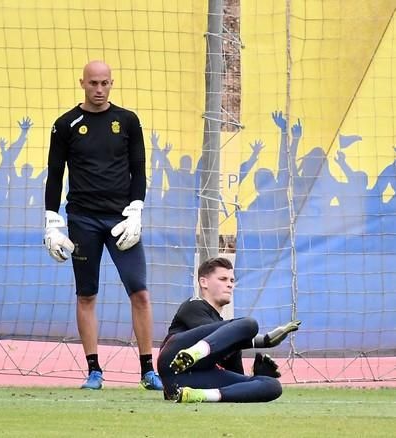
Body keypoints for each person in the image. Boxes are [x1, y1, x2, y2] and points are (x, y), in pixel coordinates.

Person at [43, 60, 162, 391]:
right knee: (86, 295)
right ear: (82, 82)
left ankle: (147, 370)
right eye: (93, 83)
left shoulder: (127, 121)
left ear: (112, 83)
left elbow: (139, 170)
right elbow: (55, 175)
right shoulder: (65, 125)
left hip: (122, 220)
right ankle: (94, 371)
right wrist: (52, 221)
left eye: (105, 83)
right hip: (82, 219)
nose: (99, 89)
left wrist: (136, 209)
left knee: (139, 292)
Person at [156, 257, 301, 402]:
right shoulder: (194, 304)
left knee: (272, 385)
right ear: (203, 282)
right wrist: (264, 341)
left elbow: (233, 373)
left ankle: (199, 396)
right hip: (172, 360)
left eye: (232, 281)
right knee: (249, 324)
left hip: (185, 381)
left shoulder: (228, 334)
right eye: (223, 279)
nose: (230, 285)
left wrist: (255, 377)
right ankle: (194, 353)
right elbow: (217, 337)